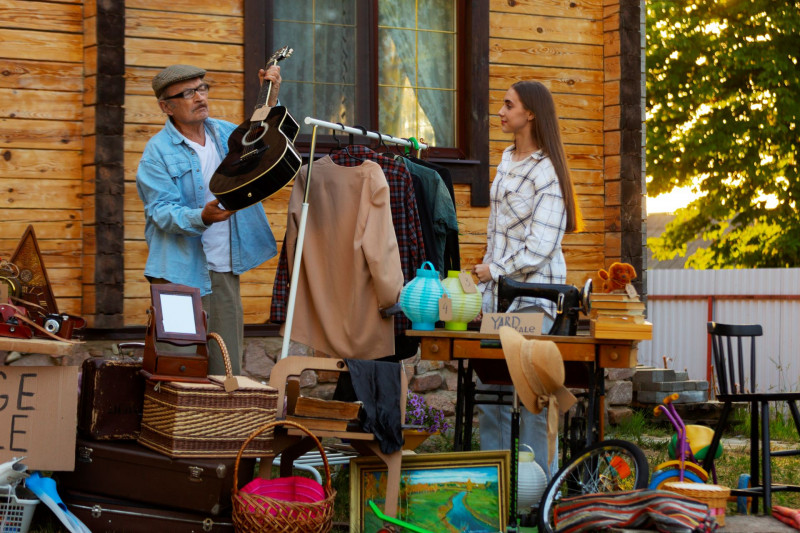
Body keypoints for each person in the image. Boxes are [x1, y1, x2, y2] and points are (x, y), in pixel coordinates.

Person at [136, 64, 283, 375]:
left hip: (223, 269)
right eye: (188, 93)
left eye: (202, 88)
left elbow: (263, 141)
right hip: (177, 274)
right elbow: (160, 210)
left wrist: (269, 101)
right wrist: (201, 216)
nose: (200, 97)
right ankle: (178, 424)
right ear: (167, 106)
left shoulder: (226, 133)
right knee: (180, 364)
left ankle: (220, 424)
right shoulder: (157, 152)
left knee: (225, 367)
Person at [472, 80, 581, 477]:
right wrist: (485, 278)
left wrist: (495, 270)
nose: (500, 111)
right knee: (491, 393)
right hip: (498, 299)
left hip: (535, 301)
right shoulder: (506, 159)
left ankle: (540, 490)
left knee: (531, 393)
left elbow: (540, 246)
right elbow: (496, 232)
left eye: (508, 105)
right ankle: (493, 488)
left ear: (530, 113)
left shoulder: (546, 172)